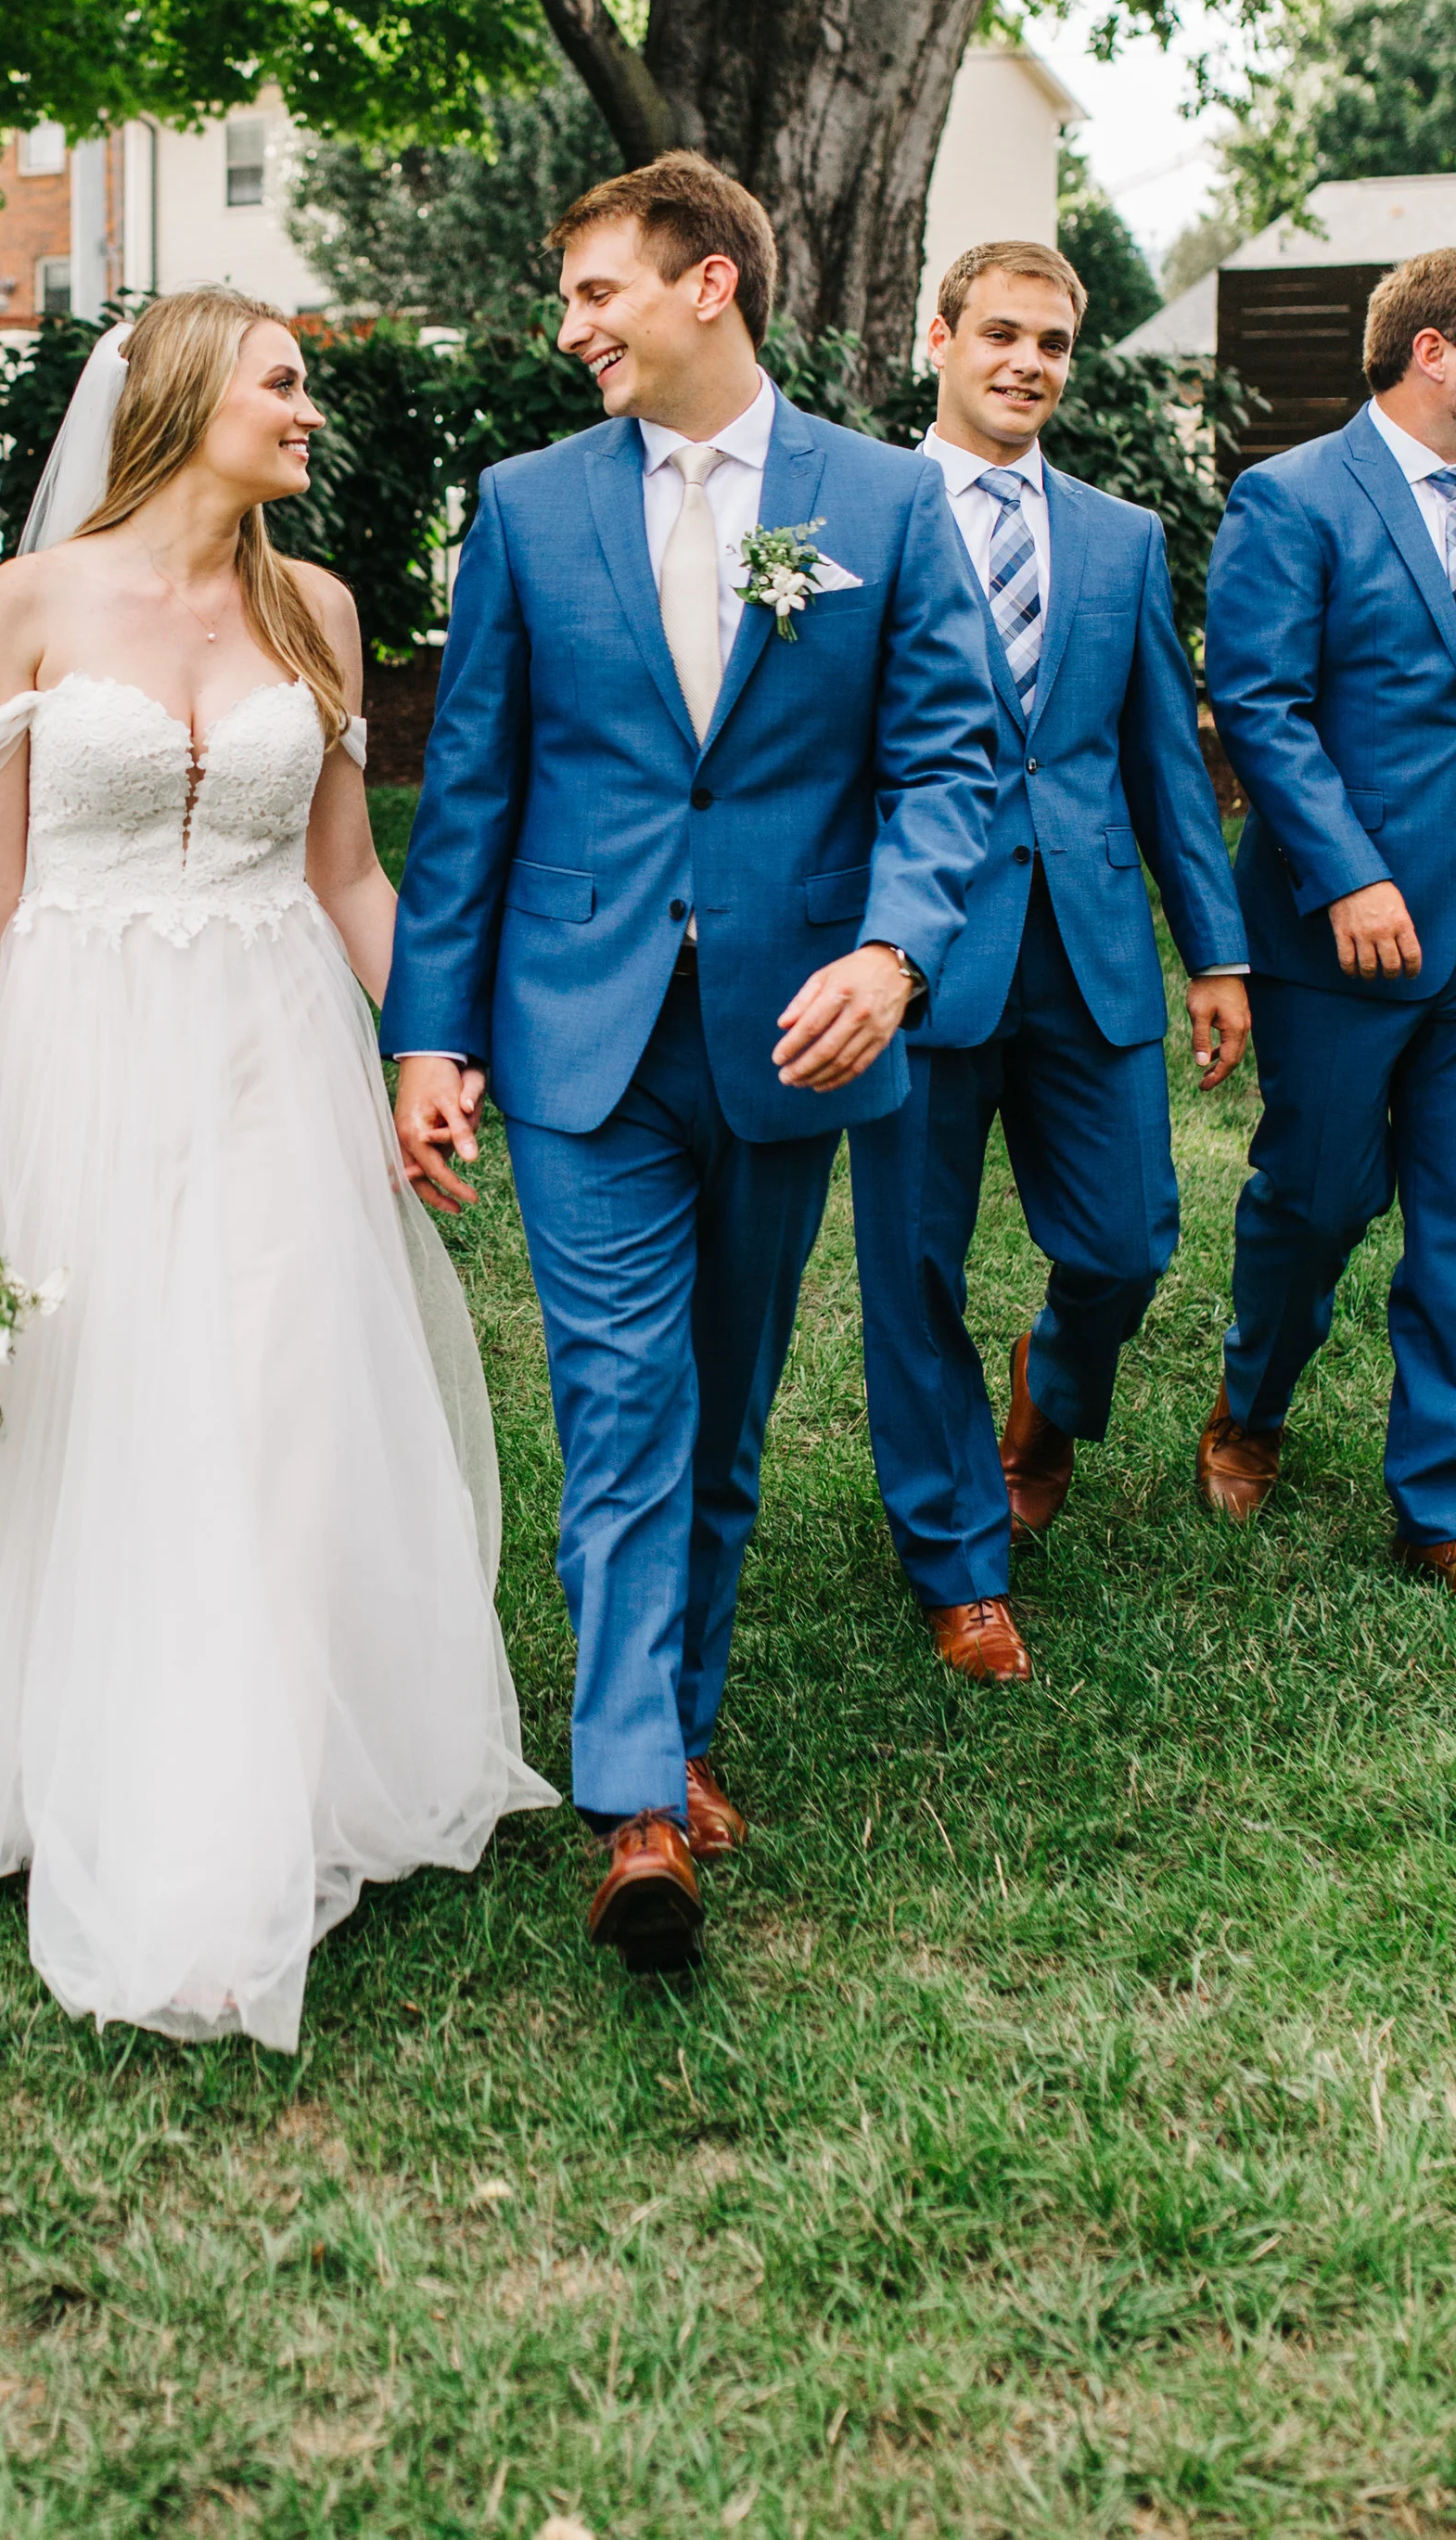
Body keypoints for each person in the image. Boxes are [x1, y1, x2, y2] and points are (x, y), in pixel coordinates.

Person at [0, 288, 551, 2053]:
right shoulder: (31, 603)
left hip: (275, 1045)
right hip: (79, 1039)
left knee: (277, 1391)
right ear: (196, 396)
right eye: (284, 384)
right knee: (102, 1387)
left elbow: (355, 874)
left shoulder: (321, 609)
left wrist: (429, 1047)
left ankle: (261, 1750)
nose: (309, 413)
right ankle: (71, 1740)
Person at [384, 154, 999, 1976]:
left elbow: (948, 759)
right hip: (579, 1035)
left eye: (594, 291)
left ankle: (683, 1718)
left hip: (790, 1034)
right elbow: (473, 784)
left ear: (707, 285)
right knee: (623, 1400)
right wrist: (430, 1029)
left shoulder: (879, 502)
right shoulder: (523, 505)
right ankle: (633, 1801)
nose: (569, 325)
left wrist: (891, 956)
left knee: (721, 1413)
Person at [843, 241, 1250, 1664]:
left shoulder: (1123, 536)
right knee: (914, 1267)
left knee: (1133, 1237)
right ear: (940, 338)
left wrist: (1216, 948)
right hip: (916, 950)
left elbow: (1161, 761)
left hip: (1086, 944)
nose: (1029, 363)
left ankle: (1053, 1382)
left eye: (1055, 343)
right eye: (1001, 334)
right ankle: (958, 1558)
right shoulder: (857, 510)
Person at [1203, 248, 1456, 1594]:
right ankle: (1252, 1401)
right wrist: (1347, 872)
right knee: (1321, 1195)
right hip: (1336, 930)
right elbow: (1262, 704)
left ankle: (1444, 1507)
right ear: (1434, 353)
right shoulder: (1290, 497)